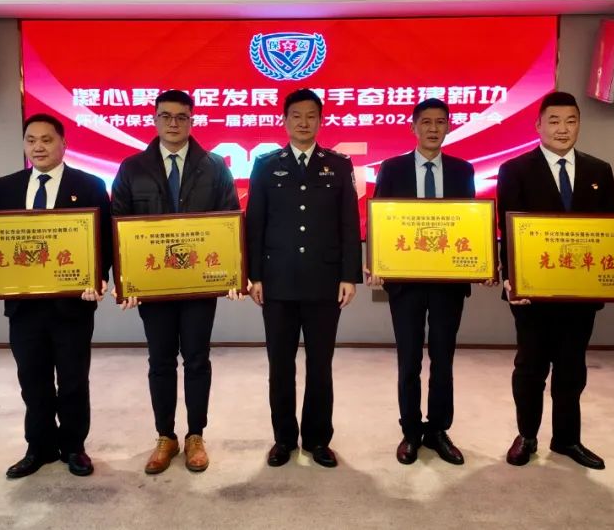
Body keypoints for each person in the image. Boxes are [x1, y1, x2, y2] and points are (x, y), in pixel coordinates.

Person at [0, 113, 110, 478]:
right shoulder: (8, 186)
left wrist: (100, 277)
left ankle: (74, 447)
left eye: (47, 139)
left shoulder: (89, 185)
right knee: (32, 380)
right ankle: (39, 447)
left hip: (72, 305)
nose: (39, 147)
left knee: (73, 380)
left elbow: (105, 240)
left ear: (63, 144)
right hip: (24, 306)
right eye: (31, 140)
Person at [111, 89, 240, 474]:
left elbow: (230, 219)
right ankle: (165, 436)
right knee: (161, 360)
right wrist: (125, 281)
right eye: (165, 116)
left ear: (191, 121)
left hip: (199, 286)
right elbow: (118, 224)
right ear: (154, 120)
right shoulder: (132, 168)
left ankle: (195, 434)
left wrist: (233, 272)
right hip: (153, 288)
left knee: (198, 359)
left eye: (181, 117)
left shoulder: (214, 167)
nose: (173, 123)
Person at [496, 91, 614, 470]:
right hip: (532, 292)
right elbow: (507, 229)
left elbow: (611, 231)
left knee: (572, 368)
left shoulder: (600, 170)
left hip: (581, 292)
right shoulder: (515, 169)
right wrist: (510, 279)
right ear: (538, 126)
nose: (563, 129)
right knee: (530, 367)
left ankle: (567, 439)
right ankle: (526, 436)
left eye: (571, 121)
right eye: (554, 121)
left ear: (579, 124)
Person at [367, 98, 490, 465]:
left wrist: (483, 263)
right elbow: (380, 219)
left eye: (440, 122)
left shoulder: (462, 170)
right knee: (409, 359)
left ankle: (438, 429)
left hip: (448, 284)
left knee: (443, 358)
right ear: (413, 127)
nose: (433, 128)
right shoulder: (392, 168)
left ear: (449, 127)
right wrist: (375, 262)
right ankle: (410, 430)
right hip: (405, 283)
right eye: (426, 122)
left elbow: (471, 221)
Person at [246, 88, 362, 468]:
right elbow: (255, 223)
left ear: (321, 120)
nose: (303, 122)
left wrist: (349, 275)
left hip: (324, 281)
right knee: (280, 366)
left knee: (320, 366)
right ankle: (283, 439)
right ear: (284, 121)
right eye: (296, 115)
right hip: (277, 282)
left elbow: (349, 223)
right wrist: (254, 275)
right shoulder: (266, 165)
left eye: (311, 115)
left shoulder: (338, 165)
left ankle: (317, 439)